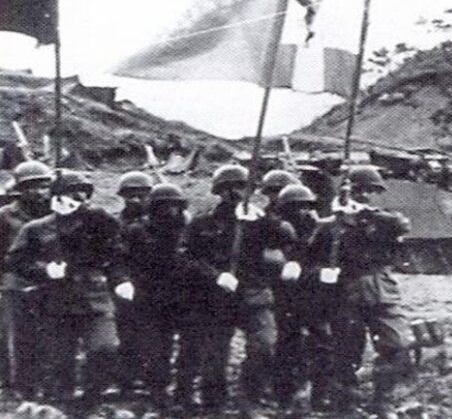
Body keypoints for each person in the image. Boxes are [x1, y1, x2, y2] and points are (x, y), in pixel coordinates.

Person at [6, 170, 133, 410]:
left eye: (83, 194)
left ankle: (92, 397)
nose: (78, 199)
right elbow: (15, 261)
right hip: (55, 302)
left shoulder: (100, 223)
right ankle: (64, 404)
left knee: (104, 348)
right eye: (72, 193)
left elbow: (116, 256)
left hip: (95, 298)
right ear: (57, 196)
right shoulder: (36, 228)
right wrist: (44, 270)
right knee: (60, 360)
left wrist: (121, 280)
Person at [181, 164, 294, 413]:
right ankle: (213, 403)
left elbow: (286, 239)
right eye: (228, 188)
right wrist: (215, 276)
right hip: (216, 298)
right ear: (218, 191)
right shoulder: (203, 222)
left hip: (254, 294)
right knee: (215, 354)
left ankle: (249, 400)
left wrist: (263, 220)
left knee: (264, 344)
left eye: (241, 187)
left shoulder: (259, 220)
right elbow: (188, 258)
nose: (235, 192)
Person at [328, 166, 413, 417]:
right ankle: (346, 404)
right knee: (346, 351)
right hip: (345, 292)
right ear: (348, 191)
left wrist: (362, 213)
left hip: (381, 291)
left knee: (397, 344)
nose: (365, 195)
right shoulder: (333, 221)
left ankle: (382, 401)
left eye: (371, 191)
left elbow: (402, 224)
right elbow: (313, 250)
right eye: (358, 190)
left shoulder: (380, 219)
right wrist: (339, 217)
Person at [119, 183, 188, 409]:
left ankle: (182, 390)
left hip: (182, 294)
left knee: (188, 345)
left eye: (175, 206)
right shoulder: (137, 231)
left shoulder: (187, 229)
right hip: (149, 295)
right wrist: (127, 282)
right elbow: (123, 260)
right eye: (164, 206)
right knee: (157, 346)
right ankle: (157, 389)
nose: (170, 211)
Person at [271, 184, 337, 412]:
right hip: (285, 297)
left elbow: (326, 259)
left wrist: (321, 272)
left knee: (323, 343)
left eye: (305, 207)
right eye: (295, 207)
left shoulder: (320, 232)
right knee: (287, 344)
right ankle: (285, 394)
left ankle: (321, 393)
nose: (301, 212)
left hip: (314, 296)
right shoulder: (277, 230)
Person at [0, 161, 52, 400]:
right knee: (19, 335)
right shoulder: (5, 215)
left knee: (50, 335)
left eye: (43, 186)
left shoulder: (55, 212)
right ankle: (21, 386)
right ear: (20, 189)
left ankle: (48, 383)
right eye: (32, 187)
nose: (39, 192)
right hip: (16, 281)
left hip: (50, 279)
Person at [113, 170, 154, 397]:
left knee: (153, 333)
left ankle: (151, 378)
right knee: (126, 332)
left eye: (141, 195)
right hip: (125, 283)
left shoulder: (161, 221)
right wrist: (122, 280)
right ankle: (127, 379)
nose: (136, 200)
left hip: (154, 284)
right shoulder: (115, 223)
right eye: (130, 195)